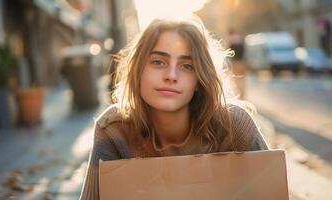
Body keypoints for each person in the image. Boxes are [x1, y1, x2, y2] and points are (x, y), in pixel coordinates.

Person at [80, 16, 268, 200]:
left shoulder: (233, 126)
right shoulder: (114, 129)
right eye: (158, 62)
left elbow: (272, 191)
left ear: (199, 79)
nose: (171, 75)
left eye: (187, 65)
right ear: (138, 70)